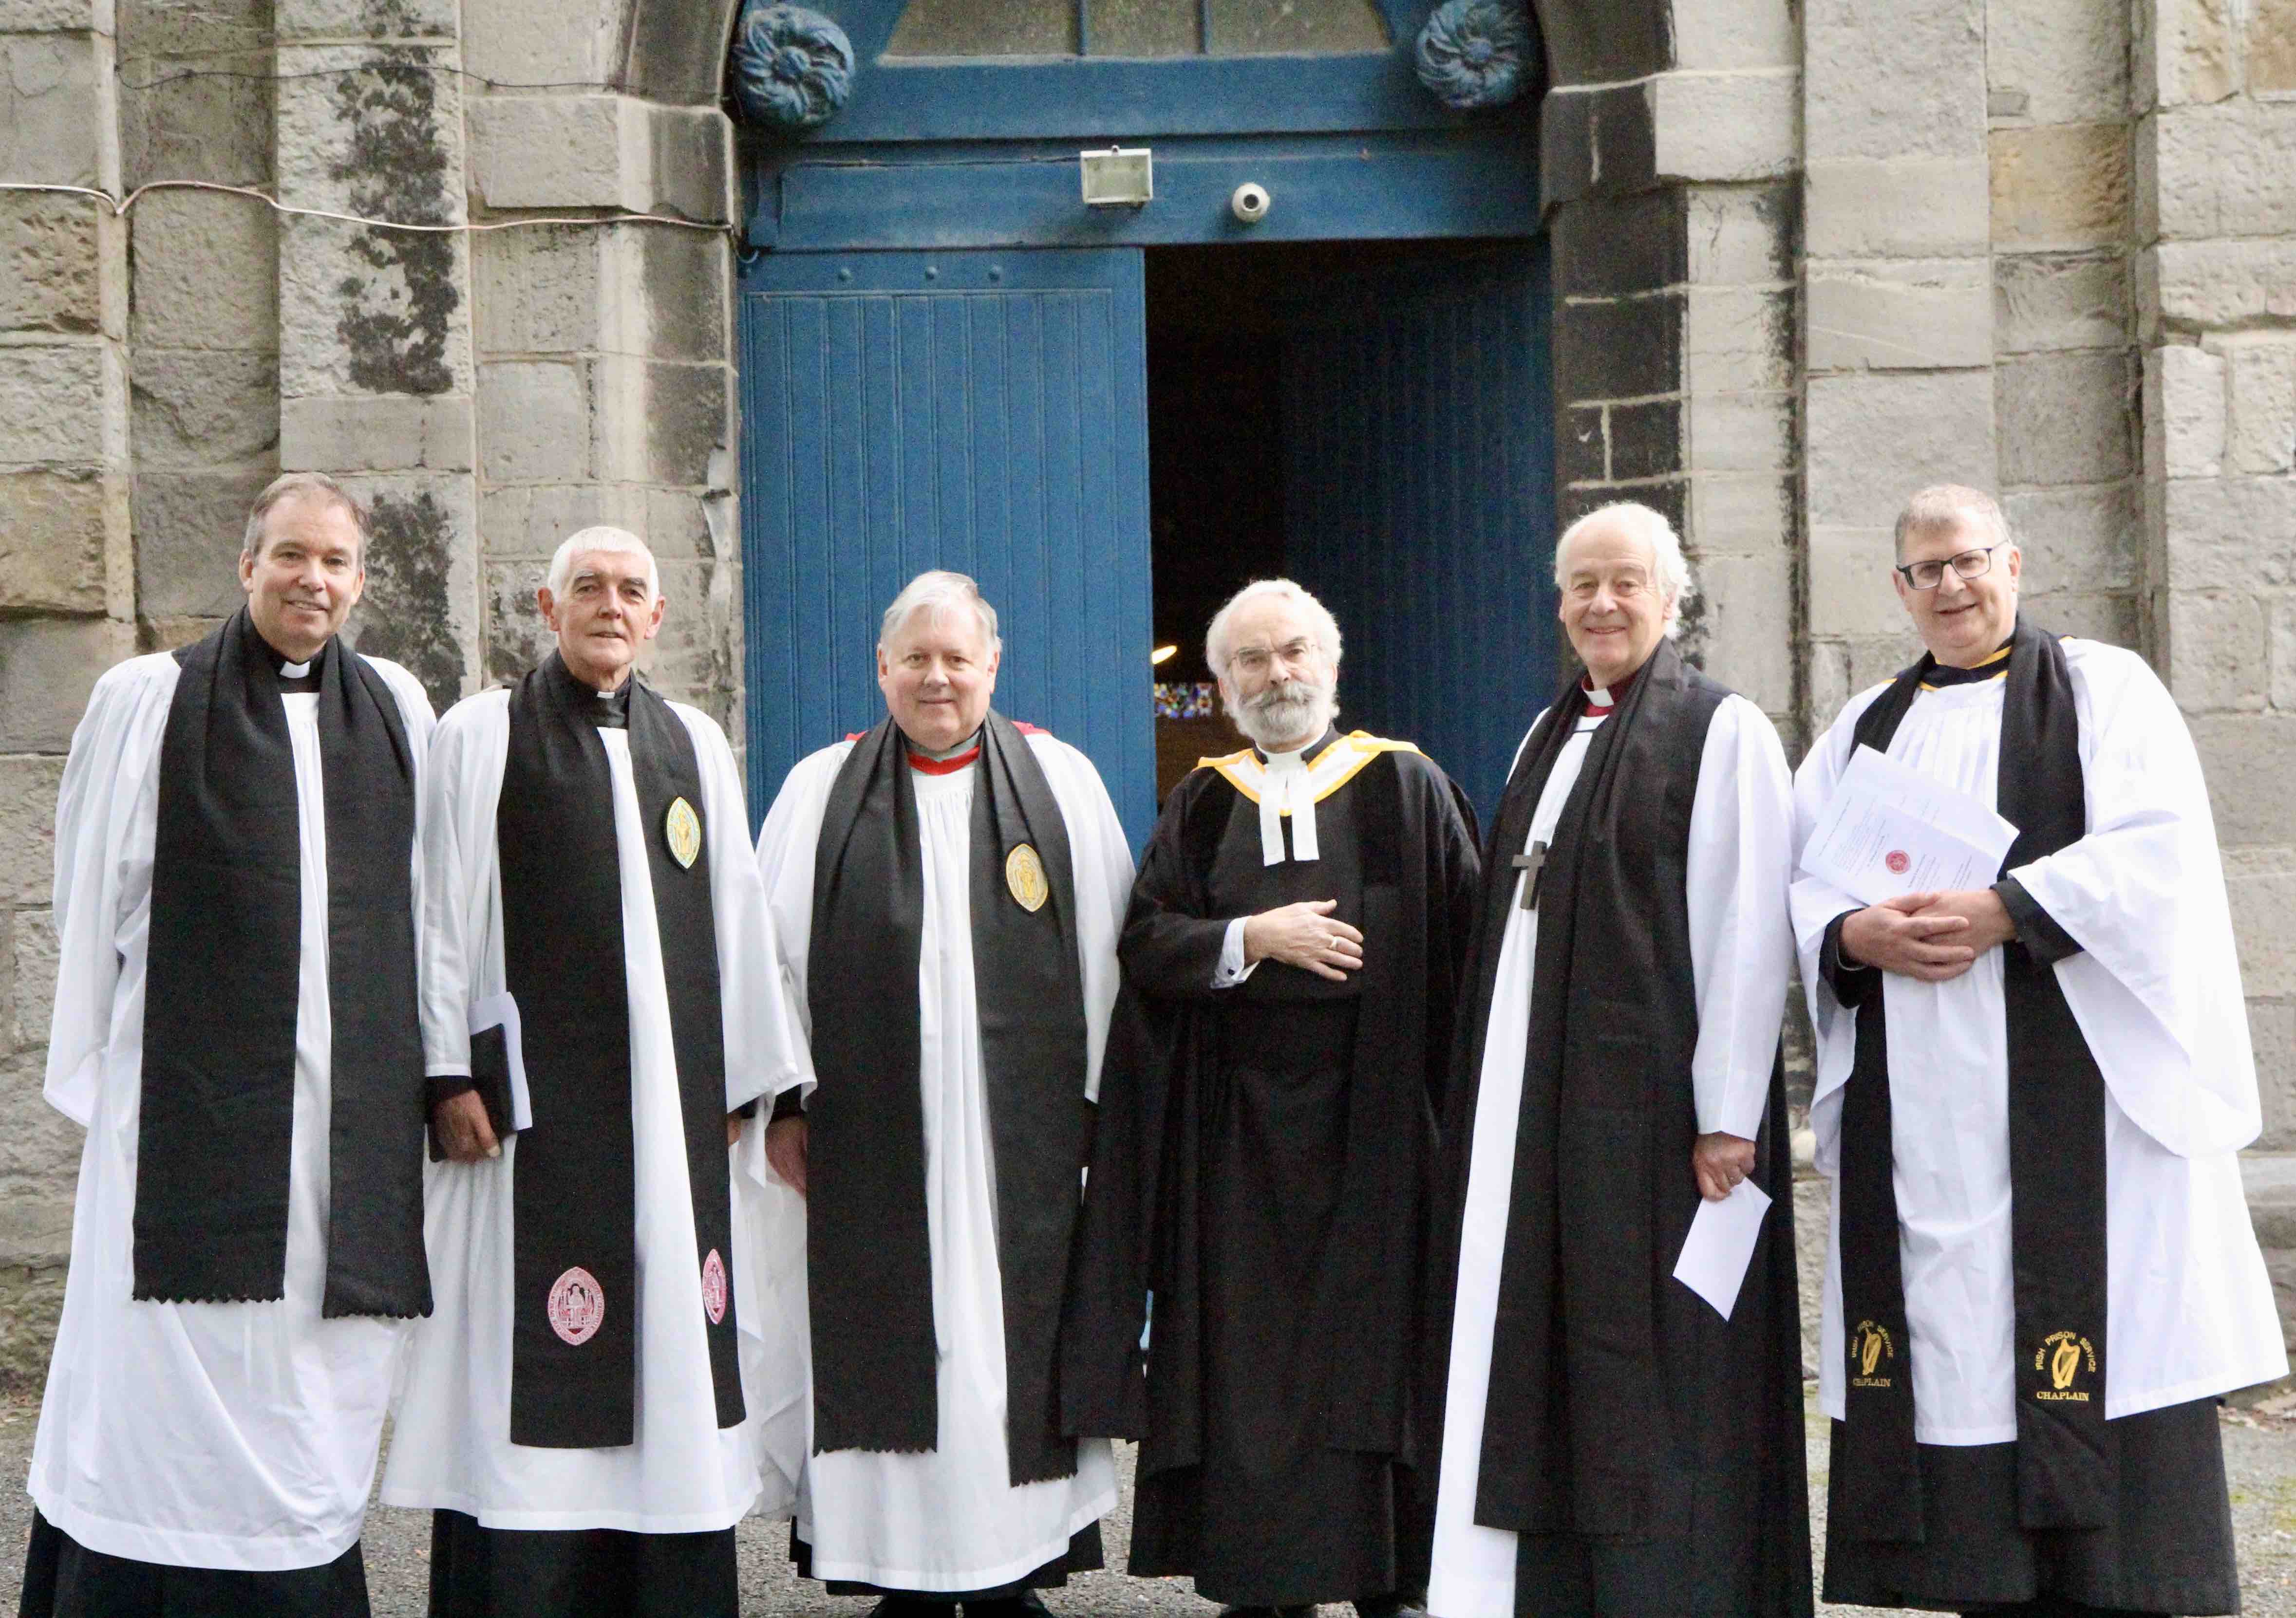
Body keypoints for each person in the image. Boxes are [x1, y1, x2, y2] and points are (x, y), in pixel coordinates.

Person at [1792, 484, 2284, 1618]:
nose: (1951, 586)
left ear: (2012, 563)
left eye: (1969, 561)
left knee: (2099, 1335)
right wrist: (1850, 932)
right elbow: (1800, 877)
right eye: (1925, 570)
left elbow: (2159, 852)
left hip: (2081, 1106)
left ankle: (2126, 1589)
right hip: (1922, 1116)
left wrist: (2009, 908)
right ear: (1900, 589)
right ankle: (1981, 1583)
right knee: (1955, 1352)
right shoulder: (1864, 726)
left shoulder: (2103, 689)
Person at [19, 472, 435, 1617]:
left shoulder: (397, 707)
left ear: (360, 581)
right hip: (184, 1114)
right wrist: (122, 1092)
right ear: (248, 565)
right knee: (163, 1362)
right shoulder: (149, 698)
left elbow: (428, 906)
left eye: (336, 562)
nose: (314, 579)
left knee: (308, 1364)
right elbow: (88, 901)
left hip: (340, 1129)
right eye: (292, 555)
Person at [381, 526, 813, 1618]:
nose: (609, 605)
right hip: (529, 1134)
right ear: (546, 605)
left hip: (672, 1130)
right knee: (528, 1363)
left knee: (669, 1340)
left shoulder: (695, 745)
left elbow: (739, 920)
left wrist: (749, 1087)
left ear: (658, 618)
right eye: (588, 588)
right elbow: (434, 910)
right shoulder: (482, 734)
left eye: (631, 590)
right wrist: (443, 1076)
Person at [1422, 501, 1810, 1618]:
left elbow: (1744, 928)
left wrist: (1730, 1114)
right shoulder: (1540, 737)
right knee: (1540, 1341)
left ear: (1669, 597)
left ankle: (1666, 1587)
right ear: (1557, 604)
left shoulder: (1719, 730)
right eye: (1580, 585)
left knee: (1651, 1355)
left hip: (1652, 1118)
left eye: (1623, 583)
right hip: (1529, 1107)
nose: (1600, 603)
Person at [753, 570, 1135, 1617]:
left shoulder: (1059, 782)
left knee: (1001, 1364)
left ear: (991, 666)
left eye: (955, 657)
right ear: (880, 668)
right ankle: (901, 1577)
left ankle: (1011, 1575)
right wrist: (784, 1107)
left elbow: (1112, 955)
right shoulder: (818, 791)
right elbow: (763, 967)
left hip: (1022, 1145)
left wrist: (1099, 1114)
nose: (936, 677)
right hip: (873, 1148)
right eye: (914, 658)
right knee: (896, 1355)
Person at [1095, 579, 1480, 1618]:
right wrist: (1246, 941)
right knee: (1248, 1362)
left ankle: (1391, 1578)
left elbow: (1472, 959)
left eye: (1295, 651)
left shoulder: (1405, 784)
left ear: (1333, 665)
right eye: (1252, 660)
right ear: (1220, 685)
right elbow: (1144, 942)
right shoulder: (1205, 800)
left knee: (1383, 1352)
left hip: (1379, 1130)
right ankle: (1266, 1581)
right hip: (1238, 1142)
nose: (1278, 675)